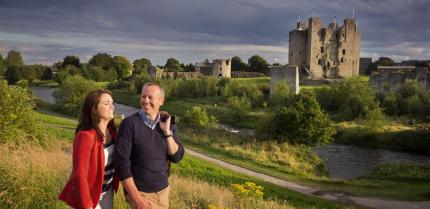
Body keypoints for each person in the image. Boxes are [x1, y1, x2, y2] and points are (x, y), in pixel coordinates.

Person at [113, 82, 185, 209]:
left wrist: (167, 133)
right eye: (143, 96)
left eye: (150, 97)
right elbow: (121, 164)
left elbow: (177, 157)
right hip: (141, 194)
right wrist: (136, 198)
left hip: (163, 191)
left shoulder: (168, 123)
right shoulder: (129, 124)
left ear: (161, 101)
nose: (145, 101)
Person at [59, 89, 119, 209]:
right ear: (94, 109)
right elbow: (80, 175)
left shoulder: (113, 132)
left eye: (112, 103)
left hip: (107, 192)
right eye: (106, 103)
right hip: (88, 195)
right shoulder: (85, 136)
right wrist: (87, 206)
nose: (112, 107)